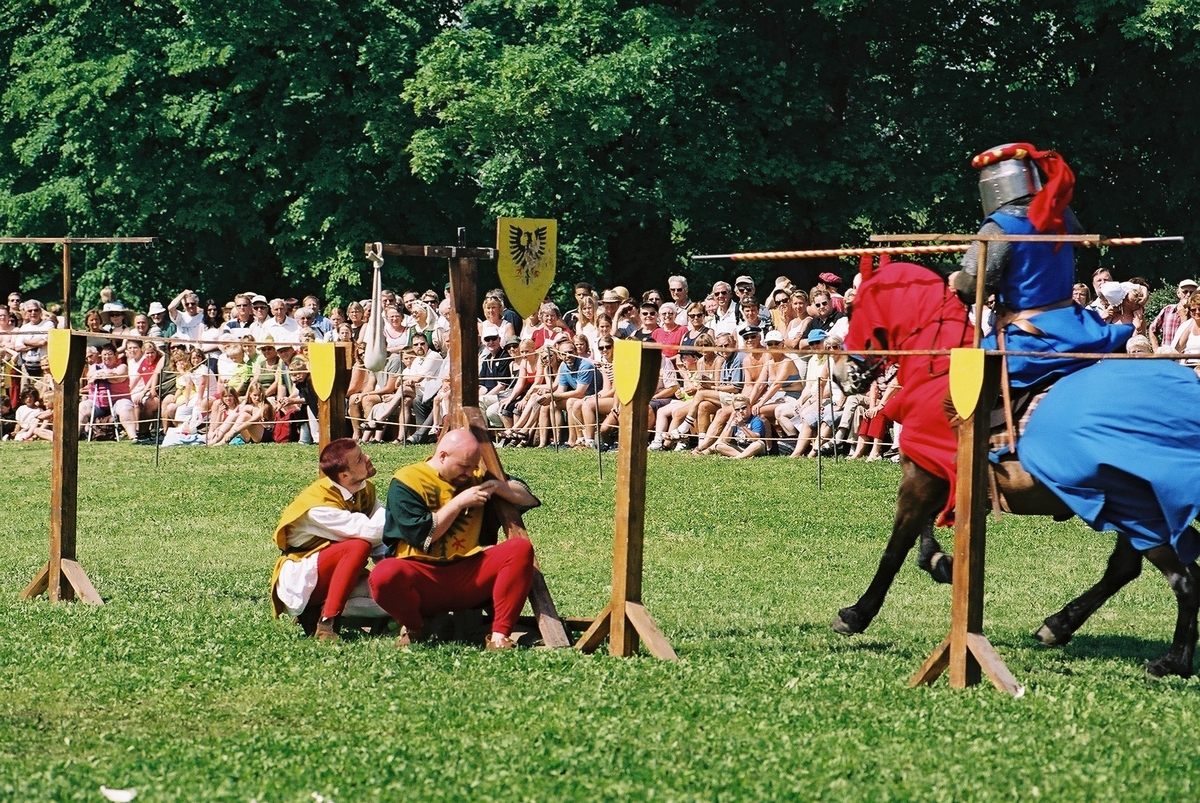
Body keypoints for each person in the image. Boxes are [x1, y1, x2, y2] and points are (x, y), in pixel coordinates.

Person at [950, 142, 1128, 388]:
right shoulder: (1061, 215)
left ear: (992, 187)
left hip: (1031, 338)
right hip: (1077, 326)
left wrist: (958, 278)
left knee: (956, 388)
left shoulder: (998, 227)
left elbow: (970, 290)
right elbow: (1077, 239)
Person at [368, 428, 540, 650]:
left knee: (519, 549)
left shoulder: (475, 476)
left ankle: (499, 636)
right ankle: (416, 627)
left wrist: (498, 486)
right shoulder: (407, 481)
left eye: (473, 466)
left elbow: (527, 497)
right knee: (384, 574)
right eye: (463, 466)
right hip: (422, 575)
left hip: (469, 575)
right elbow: (421, 535)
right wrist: (459, 503)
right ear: (442, 456)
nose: (469, 473)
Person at [271, 439, 384, 641]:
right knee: (358, 545)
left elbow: (383, 540)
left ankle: (330, 615)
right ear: (344, 475)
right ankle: (326, 623)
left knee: (394, 595)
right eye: (359, 459)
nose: (367, 458)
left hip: (339, 572)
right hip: (305, 577)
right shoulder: (319, 505)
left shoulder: (364, 489)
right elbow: (374, 531)